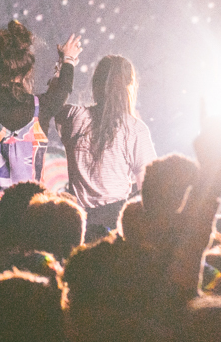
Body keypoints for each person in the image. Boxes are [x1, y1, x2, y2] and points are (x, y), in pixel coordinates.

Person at [0, 19, 81, 194]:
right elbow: (63, 90)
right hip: (31, 216)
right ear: (28, 69)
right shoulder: (43, 107)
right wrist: (67, 60)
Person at [55, 54, 157, 230]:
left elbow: (54, 102)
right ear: (129, 87)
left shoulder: (73, 116)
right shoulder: (135, 129)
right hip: (114, 225)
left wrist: (64, 66)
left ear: (95, 84)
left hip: (78, 224)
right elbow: (148, 190)